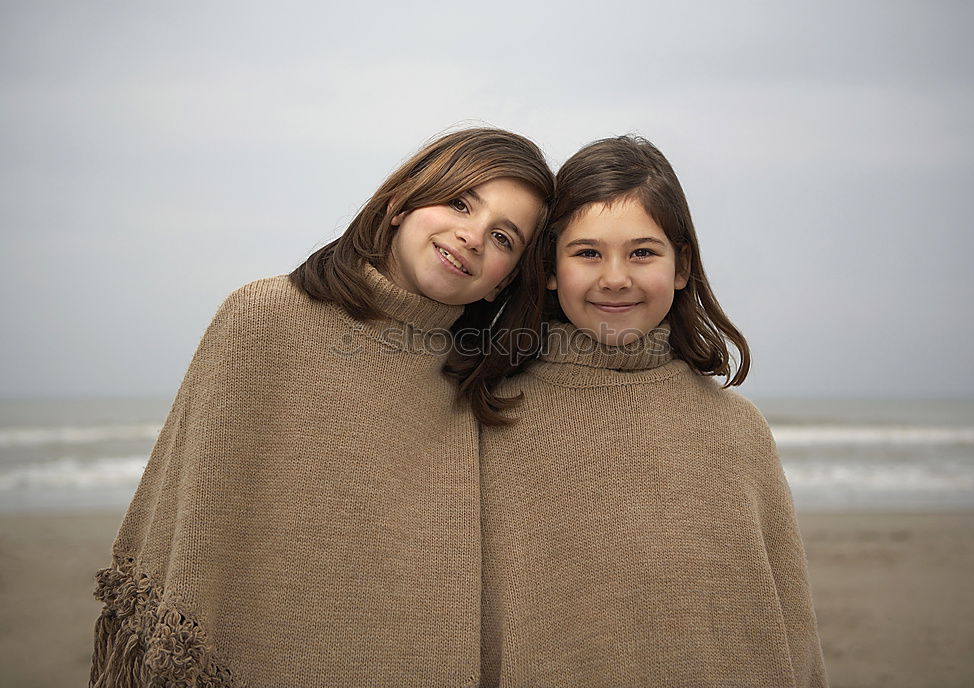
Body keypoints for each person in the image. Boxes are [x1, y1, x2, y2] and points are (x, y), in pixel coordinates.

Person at [89, 128, 554, 688]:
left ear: (500, 287)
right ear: (401, 201)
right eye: (459, 202)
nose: (473, 236)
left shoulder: (477, 384)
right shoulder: (263, 319)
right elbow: (196, 515)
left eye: (504, 238)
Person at [479, 135, 828, 687]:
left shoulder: (736, 430)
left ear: (682, 266)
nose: (615, 277)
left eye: (642, 252)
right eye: (587, 252)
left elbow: (789, 629)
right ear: (547, 269)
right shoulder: (491, 417)